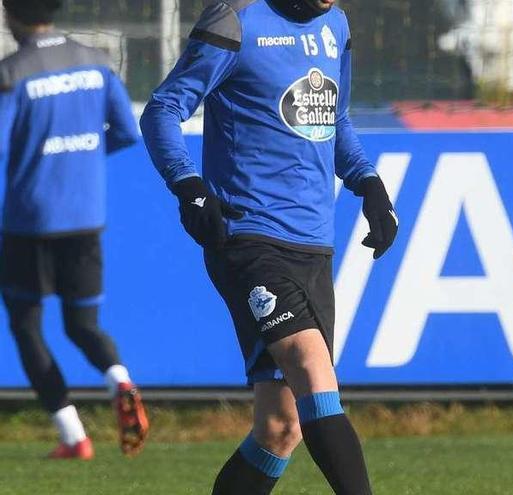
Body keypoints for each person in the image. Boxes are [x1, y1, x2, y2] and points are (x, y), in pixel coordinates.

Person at [140, 0, 397, 493]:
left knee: (280, 429)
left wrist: (367, 182)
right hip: (249, 236)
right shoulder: (235, 20)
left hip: (313, 242)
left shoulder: (335, 23)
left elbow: (335, 117)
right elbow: (164, 108)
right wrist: (188, 185)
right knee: (311, 367)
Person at [0, 0, 148, 459]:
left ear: (11, 15)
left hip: (31, 222)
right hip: (86, 218)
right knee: (83, 325)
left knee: (27, 326)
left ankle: (73, 436)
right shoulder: (96, 61)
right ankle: (120, 380)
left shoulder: (13, 72)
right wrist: (78, 162)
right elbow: (125, 132)